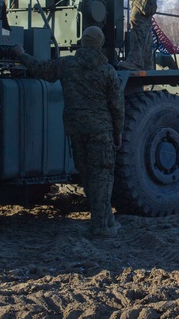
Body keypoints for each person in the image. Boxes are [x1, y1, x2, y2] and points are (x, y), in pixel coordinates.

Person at [12, 26, 124, 238]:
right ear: (99, 44)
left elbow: (40, 68)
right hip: (101, 131)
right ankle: (101, 227)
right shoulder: (107, 70)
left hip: (76, 129)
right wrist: (118, 132)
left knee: (88, 177)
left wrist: (20, 54)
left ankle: (106, 219)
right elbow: (117, 107)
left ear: (82, 42)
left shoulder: (67, 65)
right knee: (102, 176)